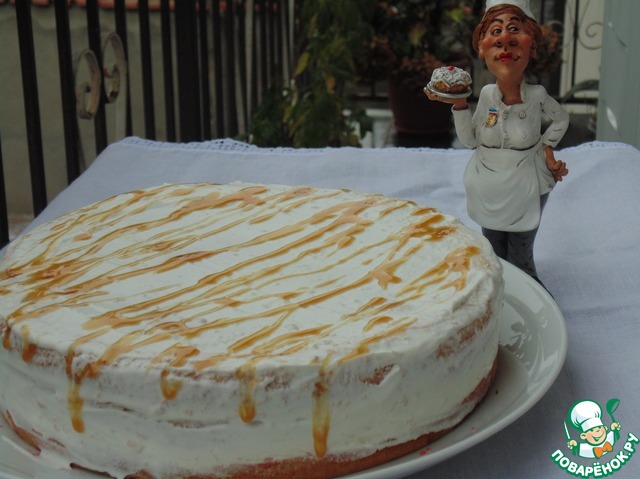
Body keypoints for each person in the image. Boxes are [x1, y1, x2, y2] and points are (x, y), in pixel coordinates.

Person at [424, 0, 569, 288]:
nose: (505, 40)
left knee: (521, 256)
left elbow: (561, 119)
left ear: (531, 45)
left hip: (526, 185)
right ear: (482, 47)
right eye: (496, 31)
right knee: (494, 254)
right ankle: (496, 294)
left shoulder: (537, 96)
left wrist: (546, 148)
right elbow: (470, 141)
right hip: (488, 188)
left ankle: (529, 294)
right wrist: (459, 104)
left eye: (514, 29)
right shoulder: (488, 95)